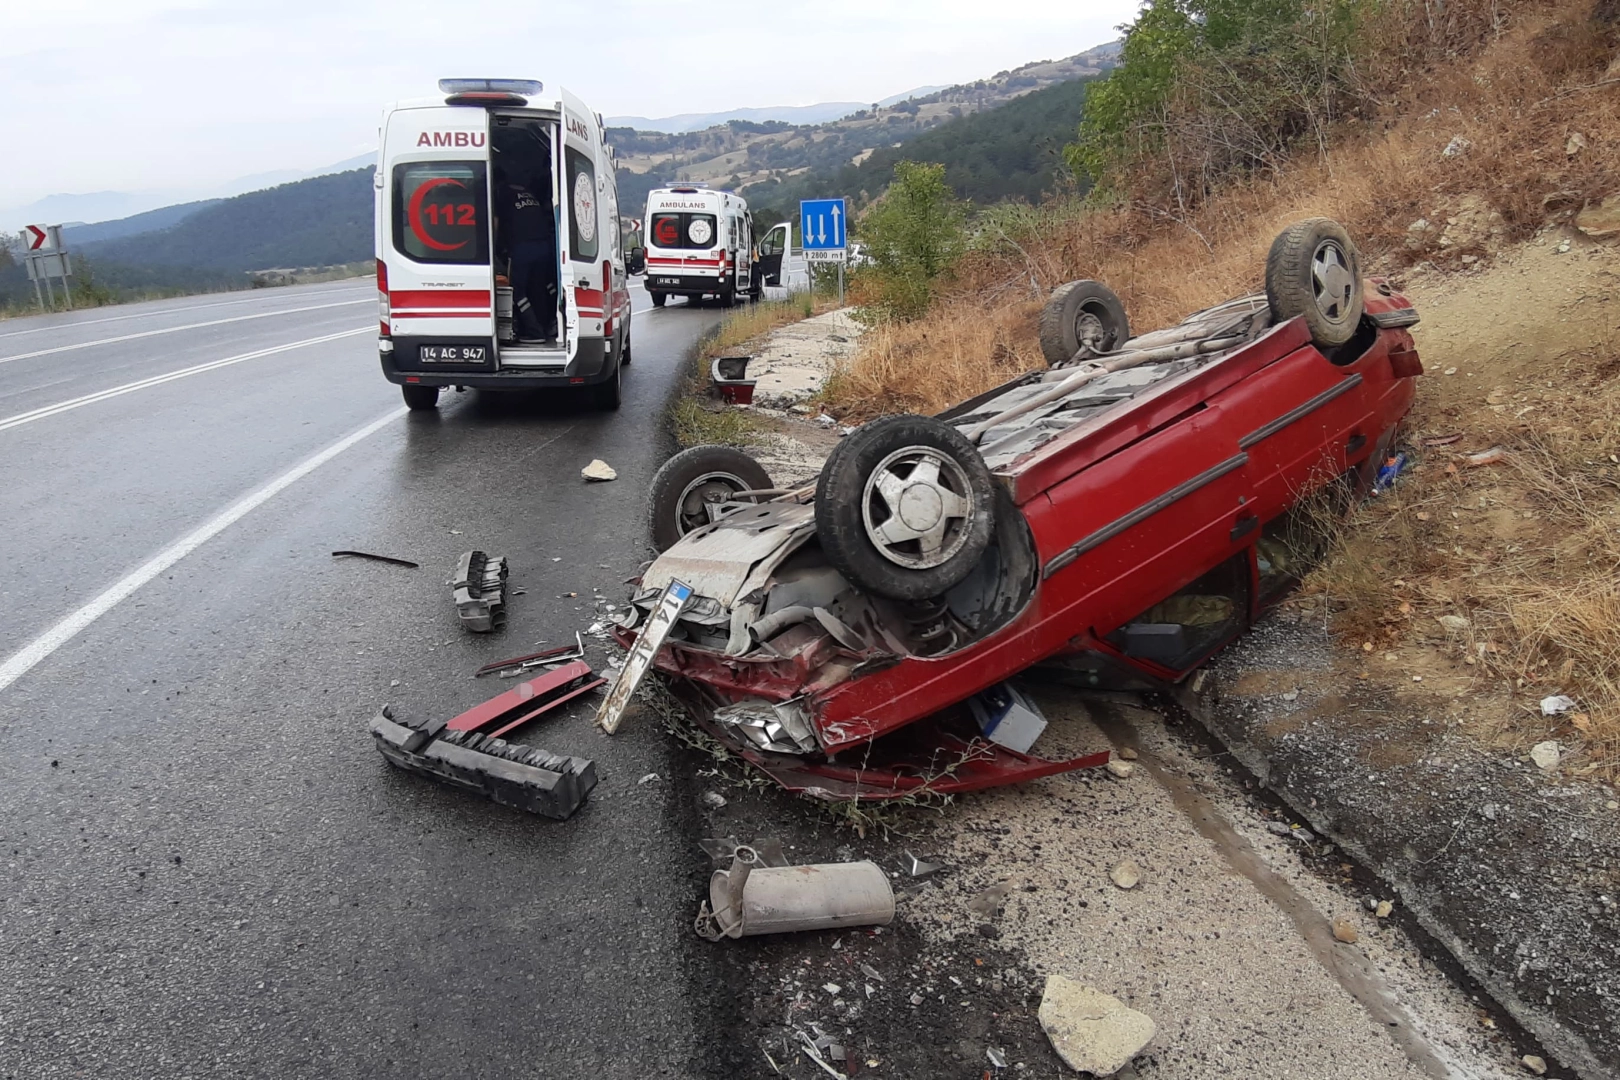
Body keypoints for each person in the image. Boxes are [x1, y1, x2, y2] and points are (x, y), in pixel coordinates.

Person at [494, 165, 558, 343]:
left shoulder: (502, 195)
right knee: (538, 288)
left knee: (517, 290)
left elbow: (495, 223)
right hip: (543, 247)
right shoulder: (528, 194)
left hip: (522, 248)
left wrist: (494, 247)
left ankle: (534, 332)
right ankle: (548, 326)